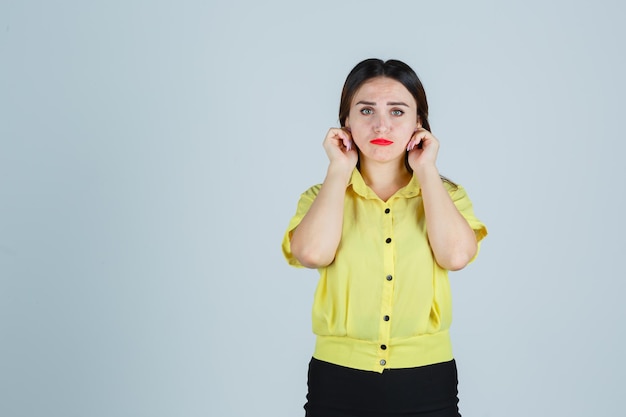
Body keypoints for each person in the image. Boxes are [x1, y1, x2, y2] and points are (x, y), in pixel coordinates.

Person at [281, 58, 488, 417]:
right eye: (366, 110)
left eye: (397, 111)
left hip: (427, 380)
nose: (381, 124)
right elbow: (312, 253)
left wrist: (427, 170)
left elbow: (456, 256)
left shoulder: (446, 195)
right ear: (345, 120)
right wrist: (338, 170)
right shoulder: (321, 196)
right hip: (337, 379)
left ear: (418, 122)